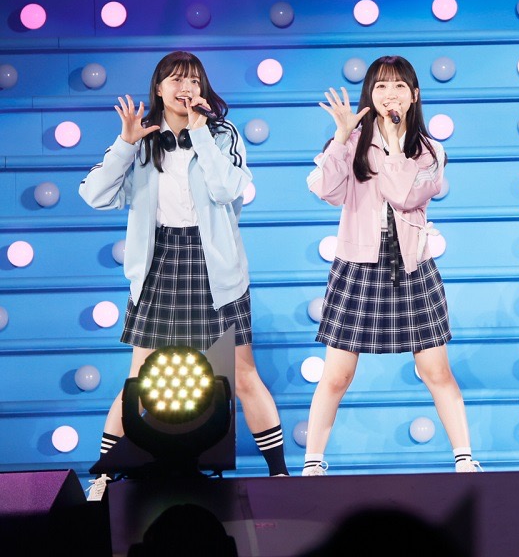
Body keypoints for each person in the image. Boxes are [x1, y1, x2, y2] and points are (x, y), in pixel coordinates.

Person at [79, 51, 289, 501]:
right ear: (159, 89)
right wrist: (125, 143)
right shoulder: (141, 138)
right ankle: (104, 476)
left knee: (243, 374)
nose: (185, 86)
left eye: (193, 79)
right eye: (175, 79)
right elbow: (94, 195)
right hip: (159, 261)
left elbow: (227, 189)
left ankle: (279, 474)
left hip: (214, 262)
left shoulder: (222, 133)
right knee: (139, 377)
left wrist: (201, 133)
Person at [302, 56, 478, 475]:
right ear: (370, 94)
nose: (390, 94)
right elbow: (324, 190)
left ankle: (465, 460)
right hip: (357, 263)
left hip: (412, 264)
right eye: (380, 86)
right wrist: (340, 138)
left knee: (436, 370)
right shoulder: (351, 142)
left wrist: (397, 145)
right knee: (337, 375)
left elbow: (403, 195)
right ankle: (312, 463)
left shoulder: (430, 151)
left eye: (399, 86)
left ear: (414, 95)